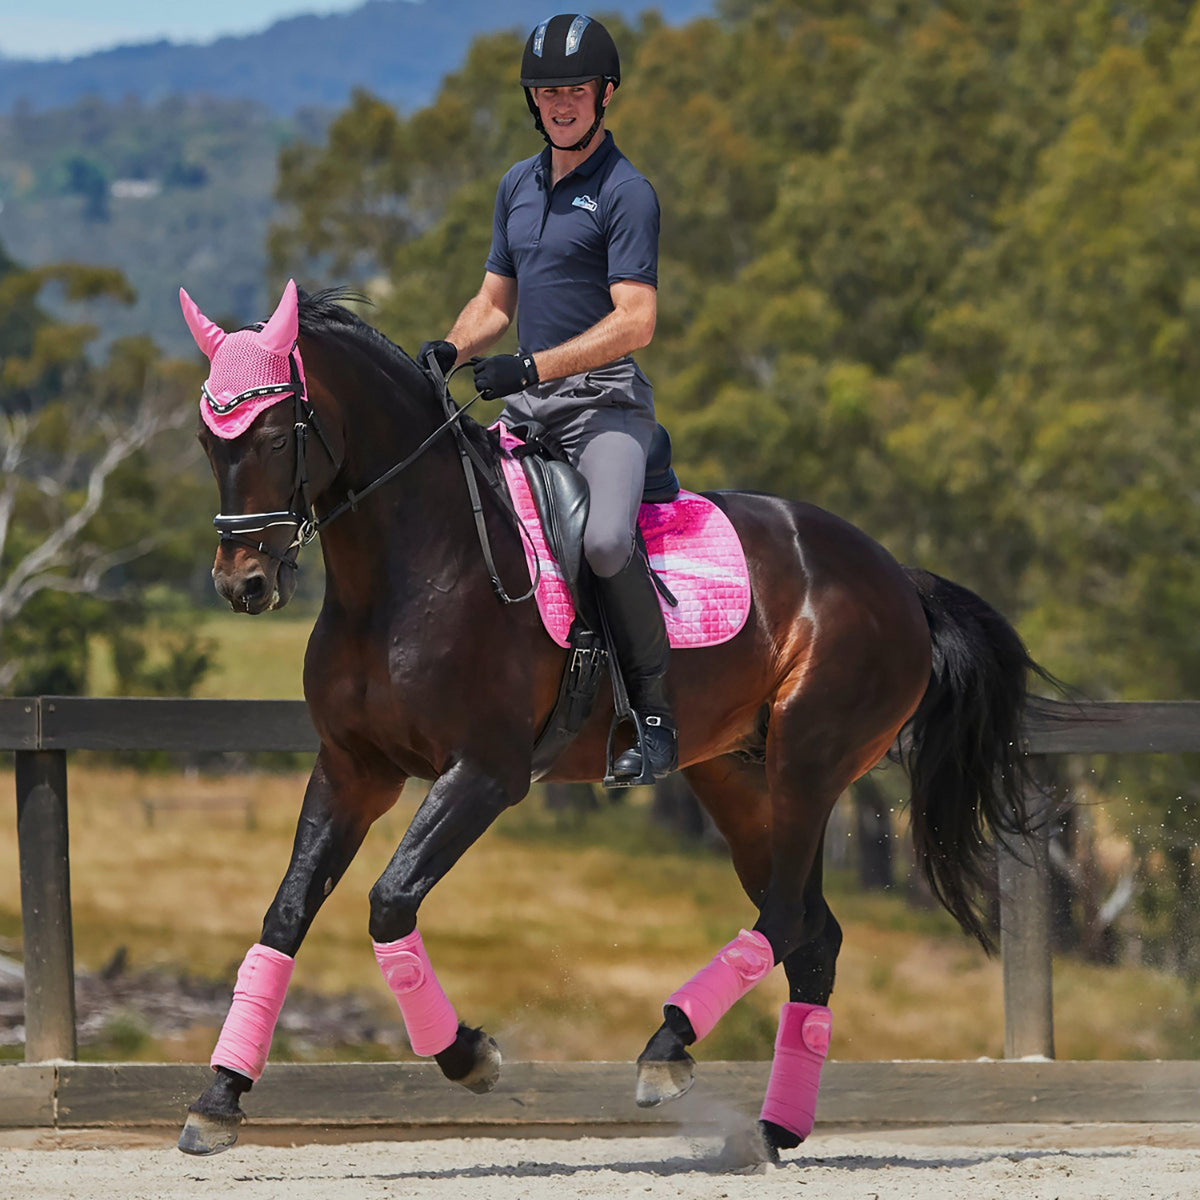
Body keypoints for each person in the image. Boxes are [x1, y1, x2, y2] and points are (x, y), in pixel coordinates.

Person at [418, 12, 675, 783]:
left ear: (604, 94)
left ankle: (655, 719)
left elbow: (638, 321)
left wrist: (531, 370)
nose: (561, 102)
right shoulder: (517, 187)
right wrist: (453, 347)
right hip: (528, 417)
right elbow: (495, 303)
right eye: (547, 90)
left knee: (602, 544)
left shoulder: (628, 193)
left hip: (605, 410)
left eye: (575, 88)